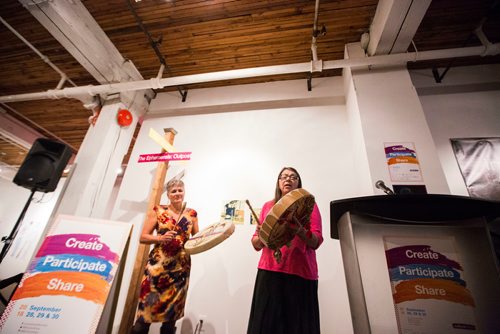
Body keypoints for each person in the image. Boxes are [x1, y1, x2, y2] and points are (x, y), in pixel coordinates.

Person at [247, 167, 323, 334]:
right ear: (279, 182)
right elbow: (256, 244)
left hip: (300, 272)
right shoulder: (268, 206)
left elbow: (316, 241)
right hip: (269, 271)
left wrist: (301, 231)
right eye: (284, 177)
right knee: (266, 327)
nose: (288, 179)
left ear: (298, 182)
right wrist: (264, 234)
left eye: (293, 177)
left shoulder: (309, 206)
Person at [131, 179, 199, 334]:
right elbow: (143, 237)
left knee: (171, 319)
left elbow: (196, 239)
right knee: (145, 316)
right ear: (168, 194)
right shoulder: (158, 211)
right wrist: (160, 238)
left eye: (180, 190)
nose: (177, 194)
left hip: (180, 271)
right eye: (173, 191)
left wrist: (212, 236)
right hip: (157, 270)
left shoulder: (192, 214)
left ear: (184, 191)